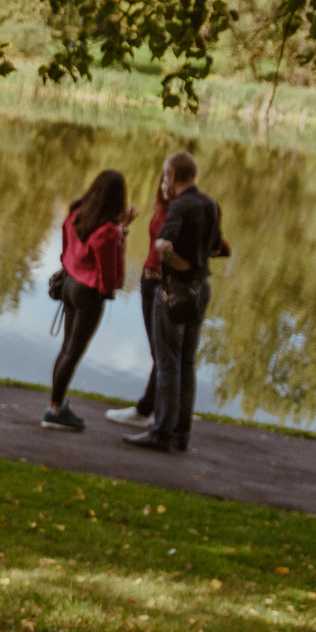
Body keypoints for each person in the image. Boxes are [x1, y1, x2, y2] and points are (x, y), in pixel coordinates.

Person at [124, 149, 221, 453]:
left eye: (165, 174)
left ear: (172, 176)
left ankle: (161, 432)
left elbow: (163, 244)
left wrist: (179, 264)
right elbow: (216, 246)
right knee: (187, 363)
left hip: (175, 291)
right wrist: (195, 265)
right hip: (202, 289)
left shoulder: (179, 206)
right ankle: (181, 434)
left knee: (167, 362)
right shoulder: (210, 204)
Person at [42, 168, 129, 430]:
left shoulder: (76, 215)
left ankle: (56, 404)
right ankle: (54, 411)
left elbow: (66, 252)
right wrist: (122, 236)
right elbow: (110, 275)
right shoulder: (108, 231)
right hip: (88, 294)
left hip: (69, 283)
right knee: (74, 351)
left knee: (66, 347)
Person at [103, 166, 176, 429]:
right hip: (147, 282)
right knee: (158, 350)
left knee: (161, 351)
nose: (166, 186)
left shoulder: (181, 212)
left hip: (161, 283)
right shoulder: (161, 209)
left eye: (171, 181)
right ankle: (155, 410)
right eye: (164, 180)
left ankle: (147, 410)